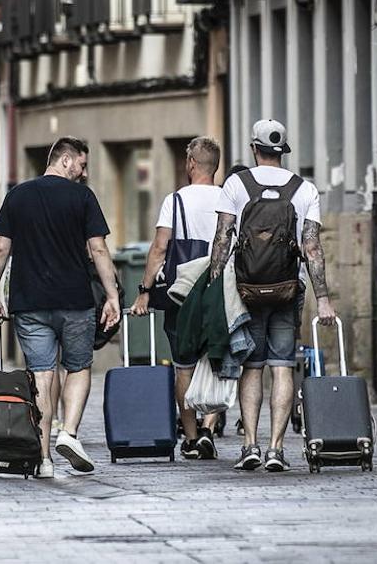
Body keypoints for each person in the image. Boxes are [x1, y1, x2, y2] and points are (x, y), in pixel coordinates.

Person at [0, 136, 121, 479]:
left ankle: (43, 458)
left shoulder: (18, 196)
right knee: (77, 367)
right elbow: (99, 250)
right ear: (64, 161)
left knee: (42, 375)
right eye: (82, 165)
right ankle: (69, 433)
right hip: (74, 301)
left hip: (29, 302)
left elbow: (1, 248)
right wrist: (113, 295)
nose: (84, 173)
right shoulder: (82, 198)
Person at [208, 120, 336, 473]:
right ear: (283, 151)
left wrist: (214, 284)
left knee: (252, 365)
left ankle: (250, 444)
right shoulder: (304, 189)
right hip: (286, 290)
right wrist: (323, 297)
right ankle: (277, 448)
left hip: (247, 291)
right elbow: (312, 248)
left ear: (254, 148)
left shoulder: (237, 183)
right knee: (282, 366)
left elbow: (222, 239)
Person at [132, 136, 224, 460]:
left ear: (191, 164)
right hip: (219, 292)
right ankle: (210, 428)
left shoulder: (176, 201)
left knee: (183, 366)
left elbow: (159, 248)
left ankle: (190, 436)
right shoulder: (229, 199)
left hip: (182, 295)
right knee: (217, 361)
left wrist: (144, 292)